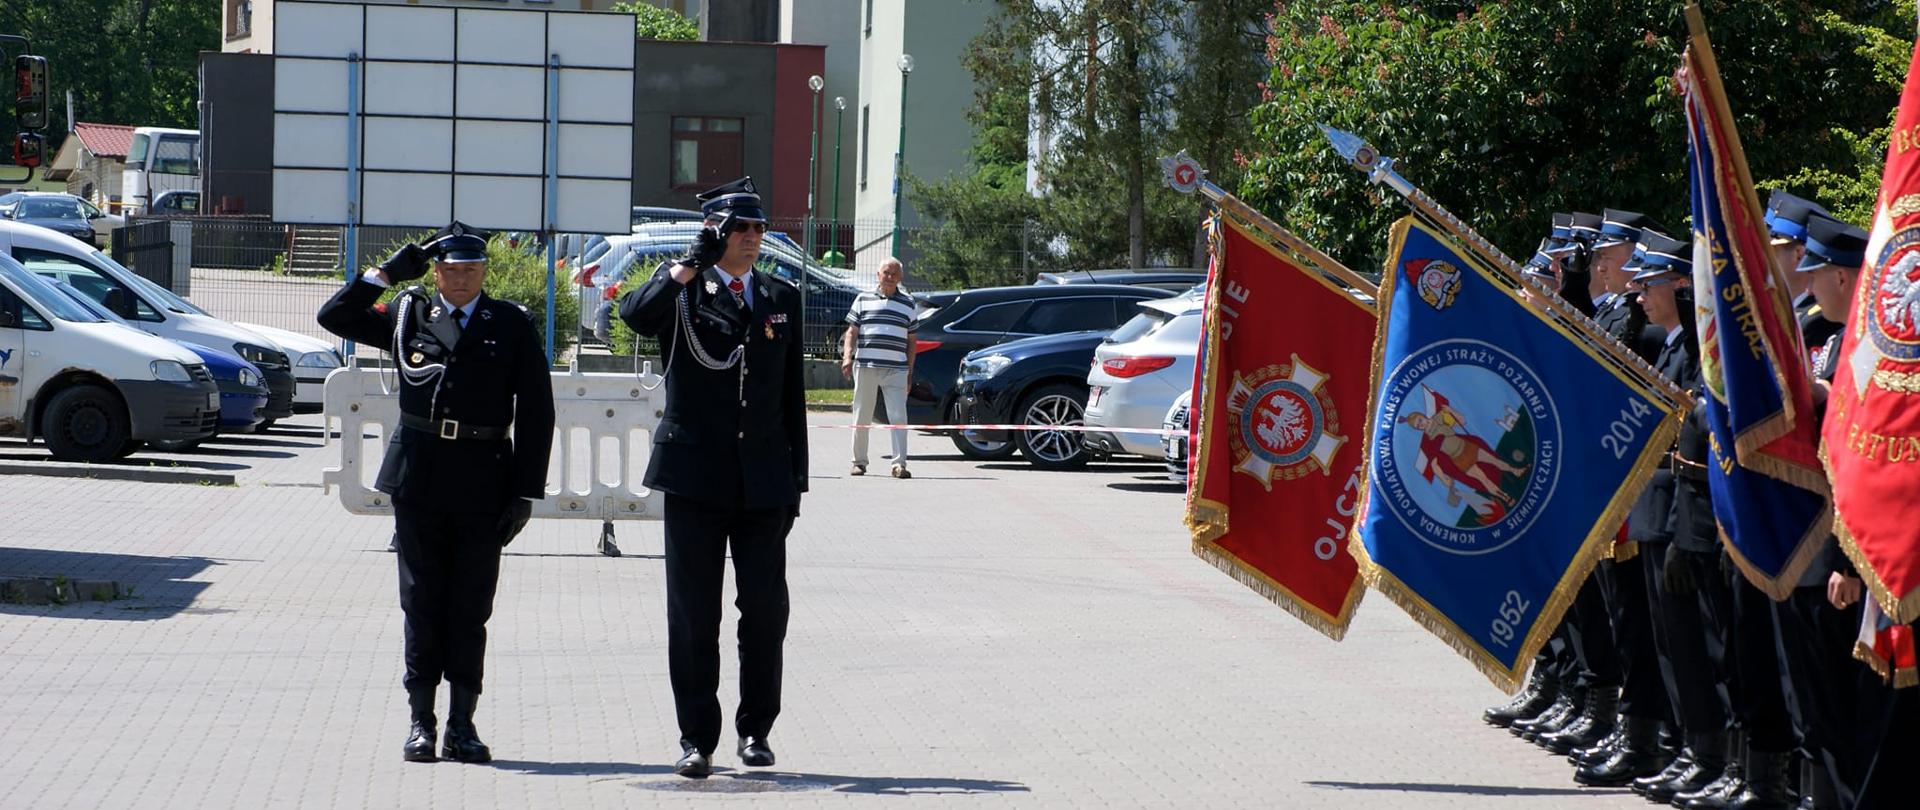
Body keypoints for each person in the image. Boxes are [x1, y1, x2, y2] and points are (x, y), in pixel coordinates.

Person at [315, 221, 556, 764]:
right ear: (436, 271)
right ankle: (420, 723)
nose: (462, 277)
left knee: (470, 608)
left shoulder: (510, 323)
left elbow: (537, 412)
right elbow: (335, 317)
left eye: (472, 268)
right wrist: (384, 275)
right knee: (421, 604)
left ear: (484, 271)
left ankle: (462, 727)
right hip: (419, 476)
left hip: (484, 479)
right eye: (450, 269)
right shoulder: (409, 315)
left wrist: (525, 492)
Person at [616, 177, 808, 779]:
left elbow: (791, 397)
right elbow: (633, 317)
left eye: (759, 229)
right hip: (696, 477)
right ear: (715, 232)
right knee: (695, 615)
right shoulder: (683, 292)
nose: (753, 239)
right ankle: (697, 737)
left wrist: (795, 481)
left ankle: (756, 731)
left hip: (763, 481)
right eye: (740, 229)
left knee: (764, 611)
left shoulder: (781, 295)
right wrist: (685, 267)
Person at [841, 257, 918, 479]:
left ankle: (899, 464)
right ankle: (859, 462)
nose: (890, 277)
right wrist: (848, 356)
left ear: (900, 277)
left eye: (894, 273)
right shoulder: (863, 299)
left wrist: (910, 370)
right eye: (886, 272)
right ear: (878, 275)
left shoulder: (908, 303)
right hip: (866, 366)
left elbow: (912, 340)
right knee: (862, 414)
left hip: (896, 369)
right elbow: (852, 332)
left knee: (899, 416)